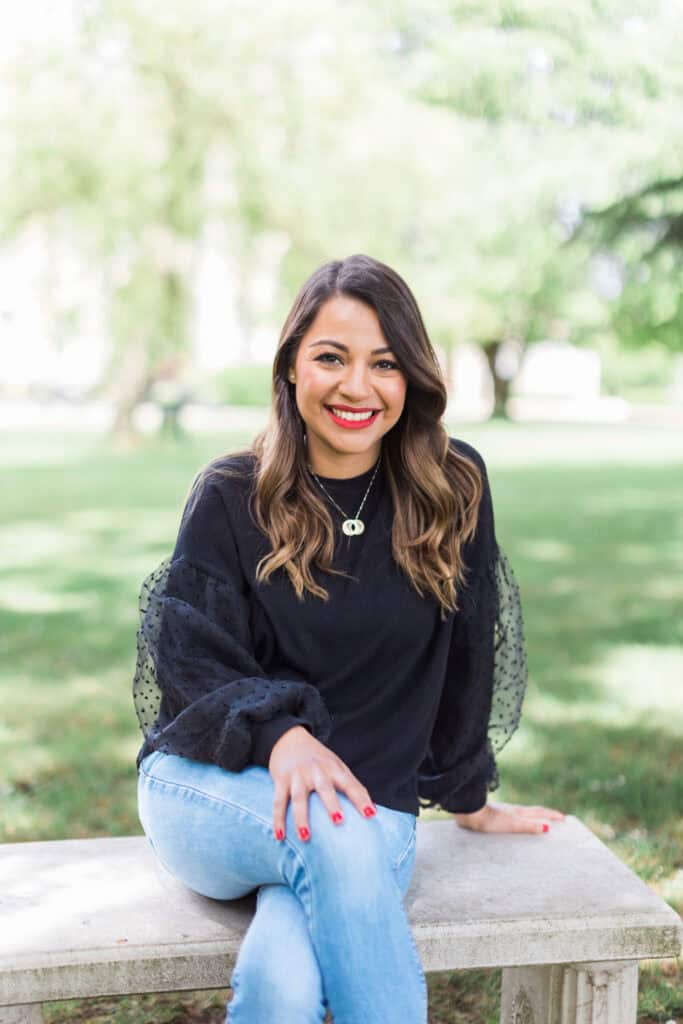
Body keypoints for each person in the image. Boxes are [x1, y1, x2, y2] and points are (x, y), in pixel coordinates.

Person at [132, 253, 564, 1024]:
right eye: (330, 357)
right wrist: (282, 738)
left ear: (412, 379)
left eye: (384, 363)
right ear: (291, 367)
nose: (356, 387)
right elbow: (189, 661)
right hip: (217, 794)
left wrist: (466, 795)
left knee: (284, 984)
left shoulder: (453, 488)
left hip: (368, 814)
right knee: (331, 835)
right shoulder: (231, 494)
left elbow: (469, 654)